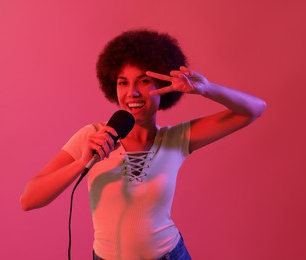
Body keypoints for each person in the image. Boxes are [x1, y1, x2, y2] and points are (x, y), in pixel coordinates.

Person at [20, 29, 266, 259]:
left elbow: (254, 110)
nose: (133, 93)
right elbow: (28, 199)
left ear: (163, 86)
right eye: (123, 82)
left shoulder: (177, 139)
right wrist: (82, 162)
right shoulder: (92, 137)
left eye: (144, 81)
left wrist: (207, 89)